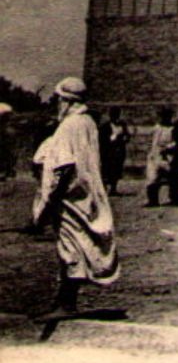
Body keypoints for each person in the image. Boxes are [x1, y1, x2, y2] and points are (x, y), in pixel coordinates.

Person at [30, 78, 119, 318]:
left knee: (69, 248)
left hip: (70, 196)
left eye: (60, 99)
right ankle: (65, 300)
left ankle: (66, 304)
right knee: (77, 245)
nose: (57, 103)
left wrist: (51, 199)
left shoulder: (69, 126)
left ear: (67, 101)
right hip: (85, 192)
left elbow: (64, 166)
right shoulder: (88, 123)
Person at [144, 105, 176, 207]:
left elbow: (176, 142)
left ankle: (174, 197)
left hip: (169, 156)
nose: (166, 118)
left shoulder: (173, 129)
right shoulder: (156, 128)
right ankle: (153, 200)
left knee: (172, 177)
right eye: (164, 116)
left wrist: (169, 148)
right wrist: (152, 153)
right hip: (155, 155)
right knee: (152, 178)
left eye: (168, 116)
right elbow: (151, 142)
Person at [98, 105, 131, 196]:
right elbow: (102, 140)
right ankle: (104, 188)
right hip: (109, 151)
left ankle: (113, 188)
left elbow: (127, 135)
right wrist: (112, 139)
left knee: (117, 169)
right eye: (113, 114)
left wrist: (124, 138)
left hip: (119, 151)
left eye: (117, 114)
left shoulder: (122, 125)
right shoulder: (105, 126)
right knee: (107, 170)